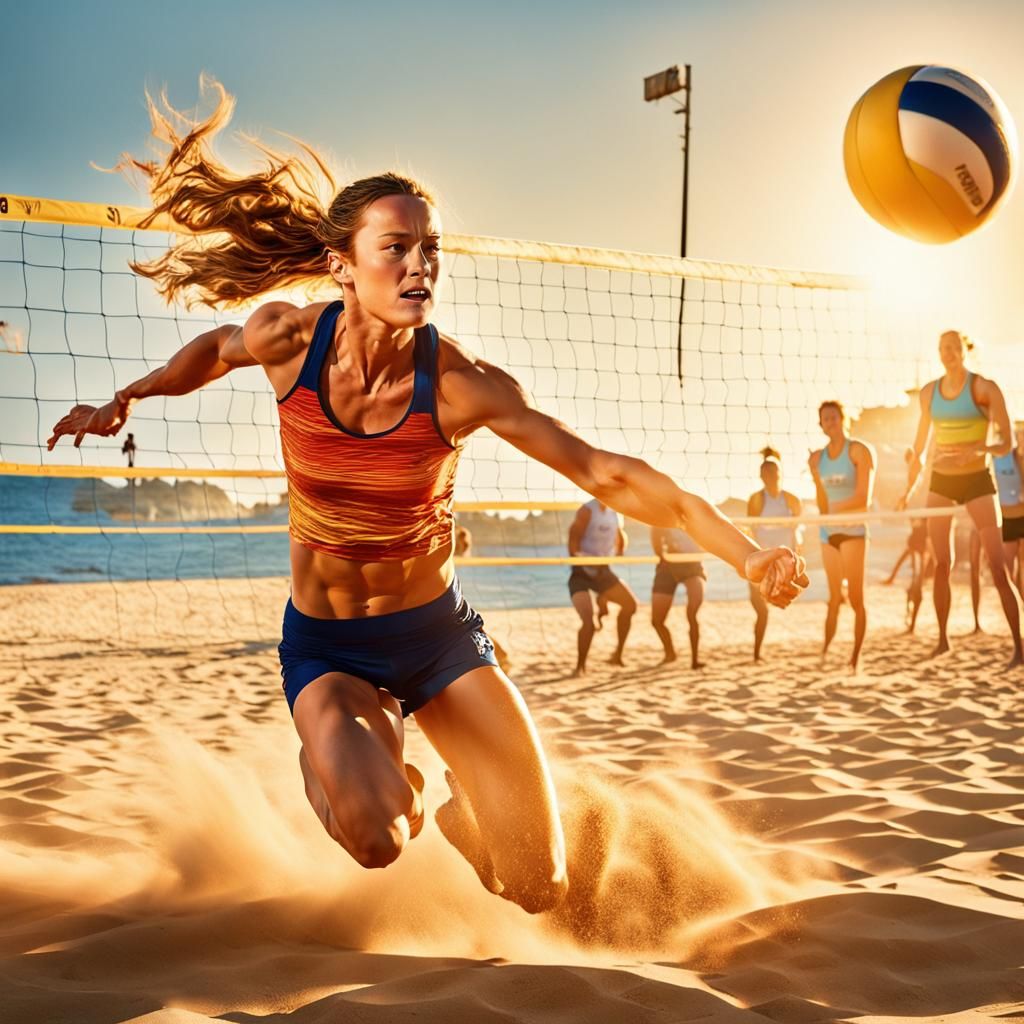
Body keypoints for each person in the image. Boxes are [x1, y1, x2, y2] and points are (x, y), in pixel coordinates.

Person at [46, 83, 808, 914]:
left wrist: (747, 551)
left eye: (431, 247)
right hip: (331, 648)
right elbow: (209, 350)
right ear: (343, 265)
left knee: (540, 887)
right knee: (376, 836)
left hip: (437, 639)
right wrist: (130, 395)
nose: (420, 265)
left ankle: (460, 814)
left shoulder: (461, 386)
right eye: (396, 248)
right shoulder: (286, 338)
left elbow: (609, 475)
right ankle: (347, 762)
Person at [900, 330, 1022, 666]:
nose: (948, 353)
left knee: (998, 569)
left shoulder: (984, 388)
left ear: (965, 351)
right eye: (942, 348)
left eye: (954, 347)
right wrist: (909, 488)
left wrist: (976, 449)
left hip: (977, 480)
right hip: (942, 481)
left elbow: (1007, 443)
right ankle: (942, 640)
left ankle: (1018, 647)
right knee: (941, 564)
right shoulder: (929, 393)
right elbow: (921, 448)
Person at [809, 401, 876, 671]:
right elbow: (821, 498)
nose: (830, 422)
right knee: (834, 597)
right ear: (820, 425)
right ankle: (825, 651)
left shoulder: (858, 450)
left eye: (834, 417)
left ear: (843, 419)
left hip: (853, 531)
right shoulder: (817, 458)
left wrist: (833, 510)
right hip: (828, 533)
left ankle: (855, 658)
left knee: (857, 599)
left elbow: (864, 497)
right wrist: (824, 512)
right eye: (825, 419)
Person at [567, 499, 637, 675]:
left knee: (630, 605)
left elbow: (620, 533)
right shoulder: (587, 510)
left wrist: (620, 550)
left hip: (603, 571)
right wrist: (579, 557)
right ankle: (580, 667)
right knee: (588, 623)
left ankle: (617, 655)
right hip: (581, 572)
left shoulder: (615, 511)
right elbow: (572, 538)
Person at [746, 447, 803, 661]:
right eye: (766, 473)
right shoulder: (756, 500)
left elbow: (797, 530)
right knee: (761, 609)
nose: (770, 477)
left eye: (774, 472)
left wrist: (797, 553)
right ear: (761, 476)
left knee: (784, 602)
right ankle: (757, 654)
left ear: (780, 473)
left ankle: (786, 650)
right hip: (762, 561)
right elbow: (749, 531)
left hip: (783, 562)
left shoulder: (792, 500)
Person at [650, 524, 706, 668]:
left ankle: (694, 660)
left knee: (692, 613)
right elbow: (655, 530)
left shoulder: (694, 510)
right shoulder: (663, 512)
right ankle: (670, 653)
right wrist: (661, 555)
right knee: (657, 620)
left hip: (692, 566)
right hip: (668, 565)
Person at [994, 423, 1024, 597]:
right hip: (1008, 517)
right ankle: (1015, 604)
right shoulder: (1005, 459)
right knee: (1008, 565)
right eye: (1019, 435)